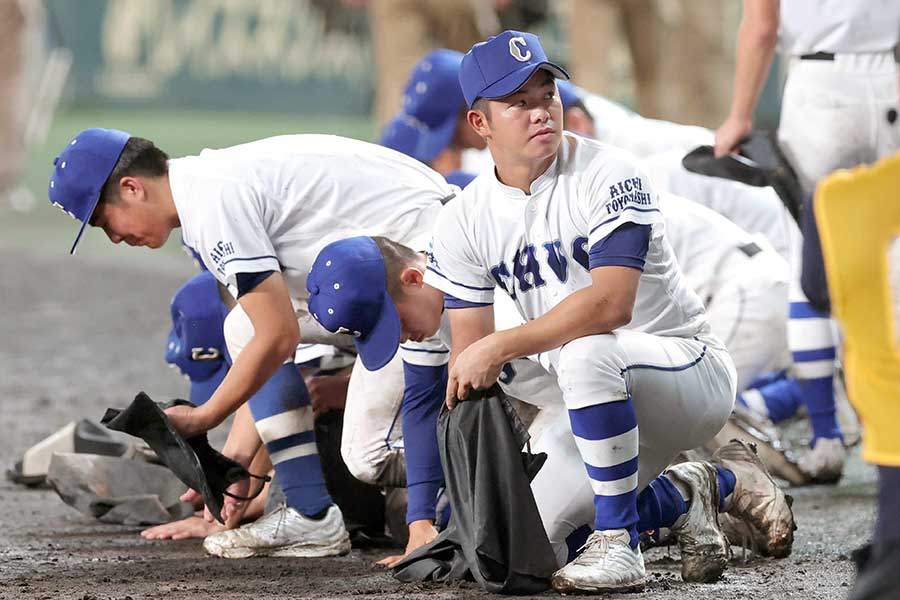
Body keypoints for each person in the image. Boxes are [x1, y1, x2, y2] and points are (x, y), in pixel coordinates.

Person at [416, 30, 745, 593]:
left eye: (546, 94)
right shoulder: (463, 219)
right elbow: (473, 364)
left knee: (585, 350)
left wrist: (500, 345)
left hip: (684, 372)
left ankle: (620, 544)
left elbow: (611, 306)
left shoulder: (609, 173)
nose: (541, 111)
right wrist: (476, 494)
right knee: (527, 550)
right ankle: (689, 494)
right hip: (583, 396)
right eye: (517, 103)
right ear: (480, 124)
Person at [46, 128, 456, 557]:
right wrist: (236, 466)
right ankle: (310, 512)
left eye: (102, 219)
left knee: (367, 457)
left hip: (424, 281)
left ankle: (500, 472)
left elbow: (279, 336)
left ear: (131, 188)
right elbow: (264, 336)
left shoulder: (213, 202)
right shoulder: (208, 186)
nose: (112, 236)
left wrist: (205, 416)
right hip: (395, 271)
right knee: (241, 325)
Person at [304, 234, 795, 581]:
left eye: (394, 319)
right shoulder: (432, 308)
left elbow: (597, 342)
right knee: (522, 550)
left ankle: (717, 482)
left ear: (414, 276)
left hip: (640, 385)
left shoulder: (490, 280)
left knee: (532, 536)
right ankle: (691, 493)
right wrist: (420, 525)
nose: (402, 334)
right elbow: (420, 405)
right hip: (574, 409)